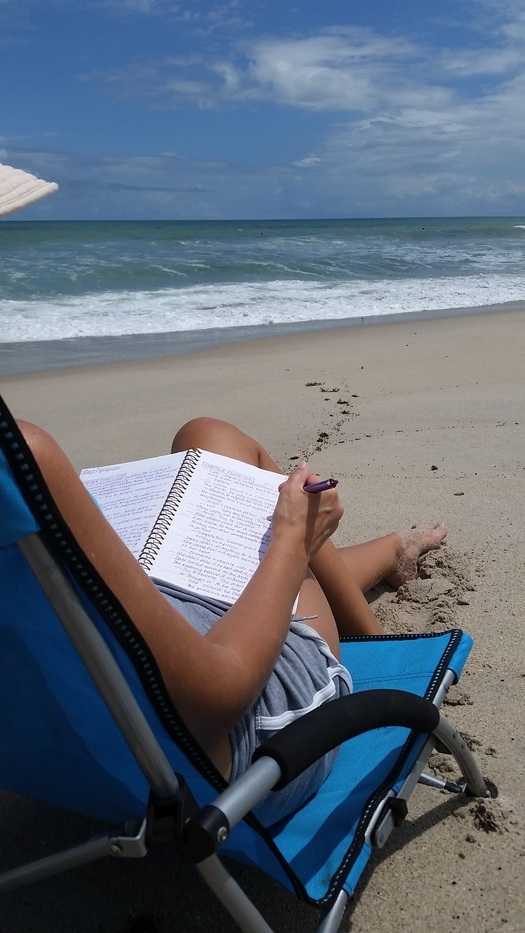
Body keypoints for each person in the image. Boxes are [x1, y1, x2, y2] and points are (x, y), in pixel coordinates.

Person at [18, 415, 447, 824]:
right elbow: (213, 701)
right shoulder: (21, 457)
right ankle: (375, 631)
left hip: (74, 715)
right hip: (233, 746)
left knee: (206, 434)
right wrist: (295, 542)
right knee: (284, 543)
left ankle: (391, 551)